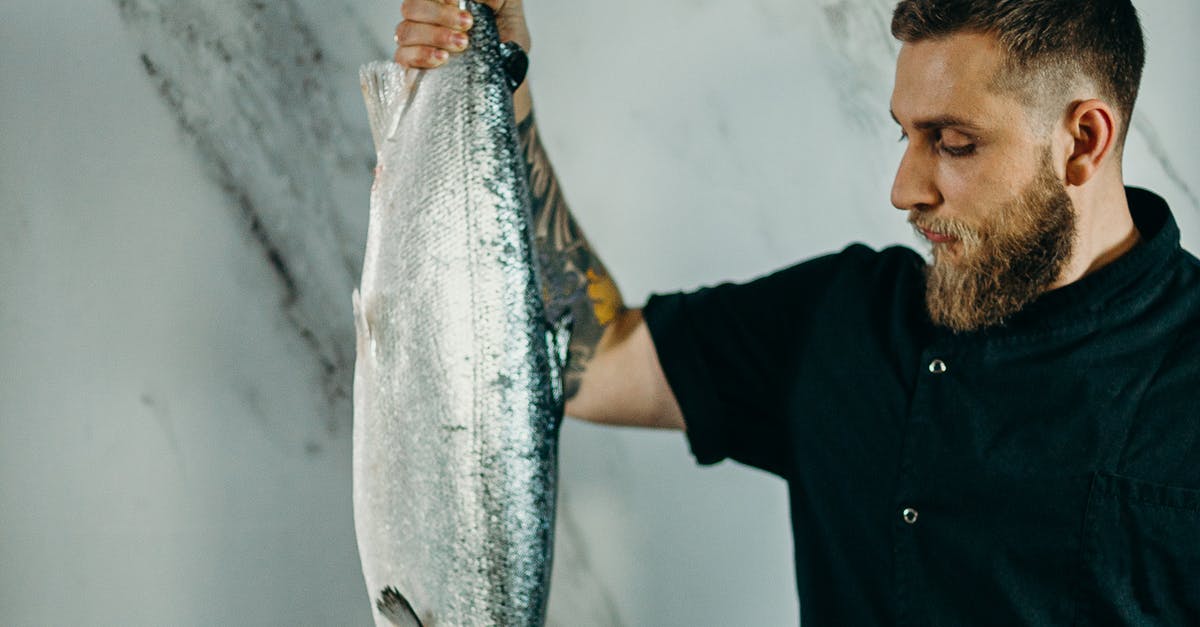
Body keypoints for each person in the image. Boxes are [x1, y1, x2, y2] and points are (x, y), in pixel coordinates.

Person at [394, 0, 1200, 624]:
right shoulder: (843, 322)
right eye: (905, 139)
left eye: (953, 142)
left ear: (1084, 140)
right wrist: (498, 79)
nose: (905, 190)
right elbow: (585, 357)